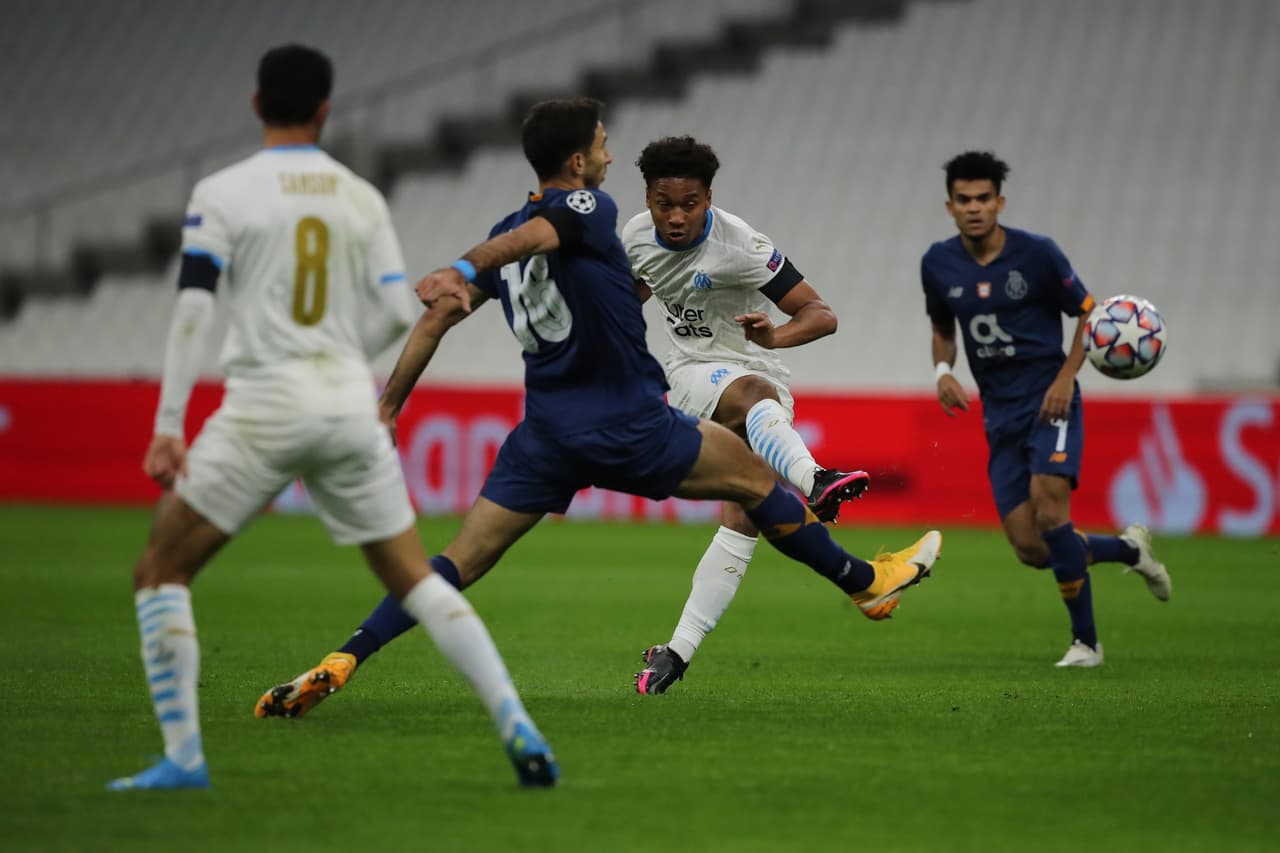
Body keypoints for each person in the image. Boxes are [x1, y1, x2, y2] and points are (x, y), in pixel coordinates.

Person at [253, 98, 941, 720]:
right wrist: (463, 266)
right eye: (603, 144)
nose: (611, 154)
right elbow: (547, 229)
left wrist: (389, 405)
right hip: (627, 421)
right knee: (757, 482)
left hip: (545, 436)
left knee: (459, 558)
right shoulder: (588, 208)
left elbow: (437, 317)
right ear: (579, 162)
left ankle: (346, 655)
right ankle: (865, 582)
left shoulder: (507, 232)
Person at [108, 44, 557, 791]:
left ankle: (183, 759)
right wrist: (338, 358)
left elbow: (193, 307)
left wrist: (168, 424)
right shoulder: (359, 198)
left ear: (257, 105)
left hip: (262, 405)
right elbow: (395, 313)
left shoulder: (223, 192)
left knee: (161, 571)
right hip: (347, 405)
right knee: (418, 579)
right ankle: (518, 724)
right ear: (325, 110)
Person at [625, 136, 869, 695]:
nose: (676, 217)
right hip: (691, 372)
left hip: (758, 370)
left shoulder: (742, 245)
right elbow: (630, 295)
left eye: (690, 204)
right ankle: (816, 479)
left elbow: (821, 314)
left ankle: (675, 653)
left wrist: (776, 336)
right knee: (753, 394)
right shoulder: (634, 237)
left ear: (709, 198)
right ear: (648, 199)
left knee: (743, 518)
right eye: (664, 204)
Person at [922, 150, 1170, 668]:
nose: (974, 208)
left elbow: (1089, 314)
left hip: (1050, 401)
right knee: (1032, 548)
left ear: (1000, 202)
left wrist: (1065, 378)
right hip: (999, 413)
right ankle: (1129, 551)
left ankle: (1087, 644)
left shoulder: (1038, 254)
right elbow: (943, 328)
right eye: (964, 200)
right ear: (950, 206)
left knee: (1052, 511)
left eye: (983, 198)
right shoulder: (938, 264)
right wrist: (943, 371)